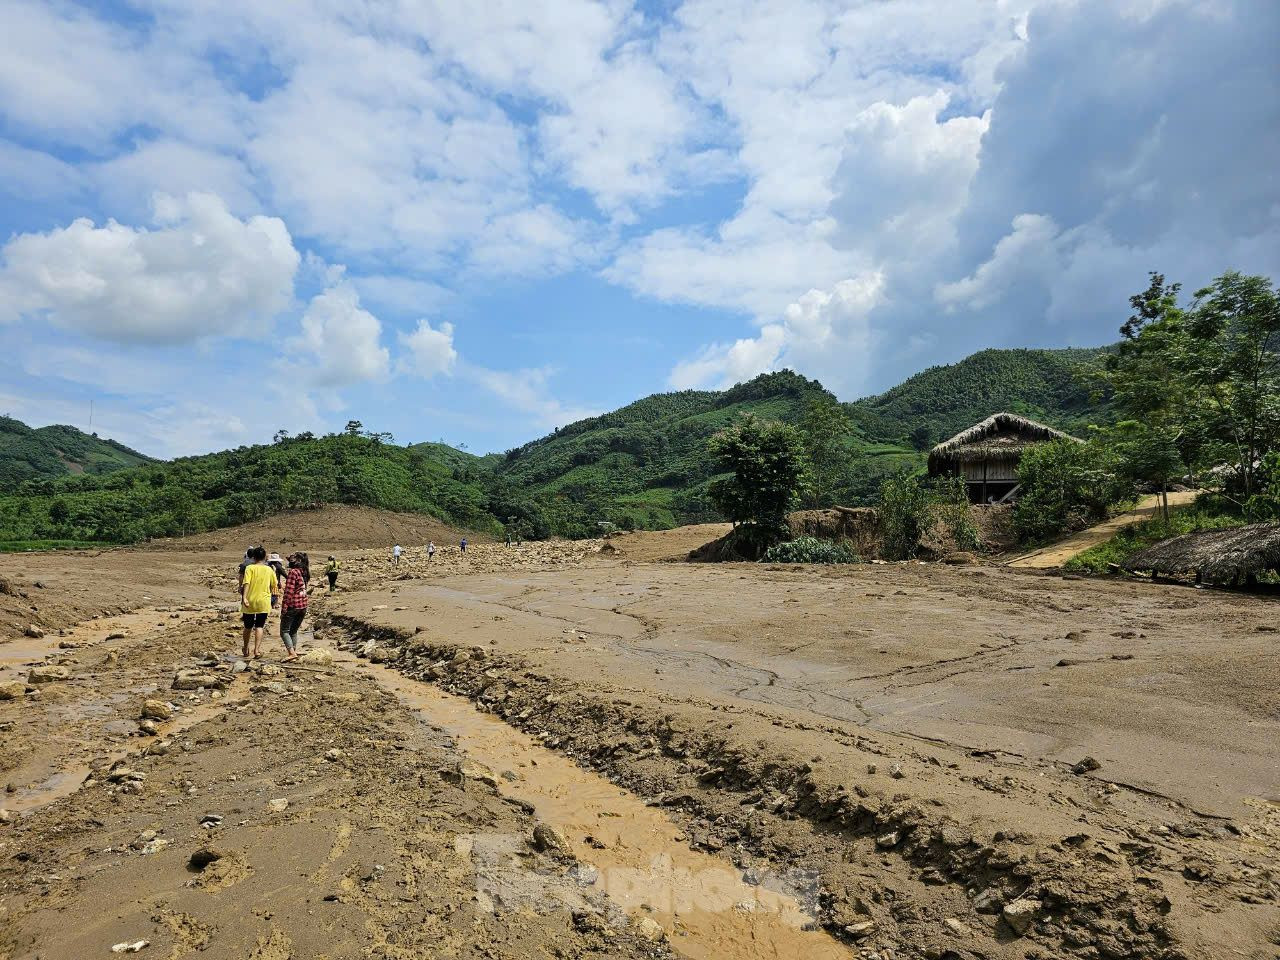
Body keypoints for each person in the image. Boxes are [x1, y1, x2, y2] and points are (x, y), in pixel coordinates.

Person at [240, 546, 278, 659]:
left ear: (253, 557)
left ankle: (246, 648)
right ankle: (257, 650)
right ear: (264, 557)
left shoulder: (250, 568)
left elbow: (246, 583)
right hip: (264, 601)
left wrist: (245, 598)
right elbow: (274, 585)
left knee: (248, 626)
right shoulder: (269, 569)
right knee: (259, 626)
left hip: (250, 600)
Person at [279, 553, 308, 660]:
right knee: (294, 631)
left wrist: (284, 609)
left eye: (291, 560)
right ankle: (293, 652)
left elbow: (288, 593)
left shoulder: (293, 572)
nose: (289, 563)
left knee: (284, 631)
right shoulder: (304, 571)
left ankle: (291, 653)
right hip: (303, 605)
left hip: (293, 606)